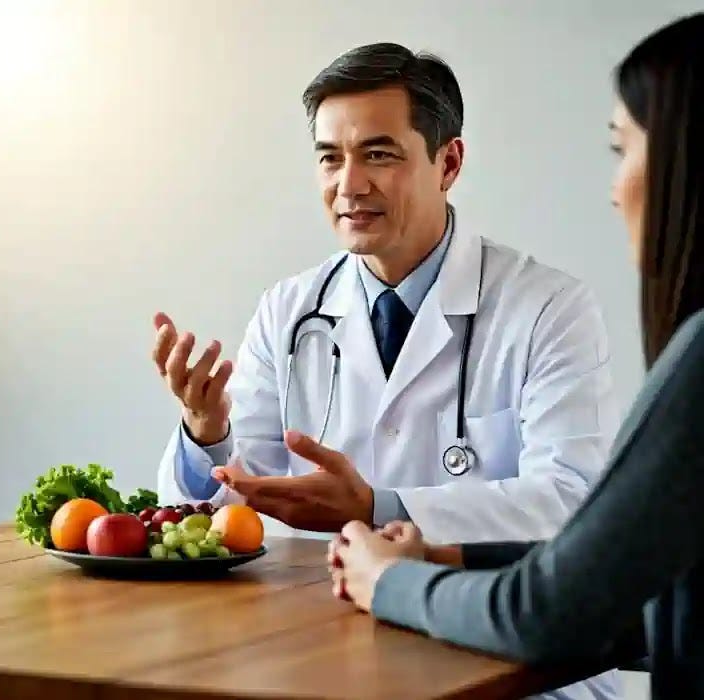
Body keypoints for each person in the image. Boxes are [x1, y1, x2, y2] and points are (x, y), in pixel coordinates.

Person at [152, 43, 620, 700]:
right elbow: (229, 522)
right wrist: (206, 435)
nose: (349, 184)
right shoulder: (288, 310)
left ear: (448, 162)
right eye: (329, 158)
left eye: (379, 154)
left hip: (512, 668)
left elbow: (572, 505)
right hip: (334, 654)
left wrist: (381, 508)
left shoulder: (548, 308)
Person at [324, 12, 704, 700]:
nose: (615, 188)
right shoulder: (291, 307)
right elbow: (631, 588)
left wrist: (394, 582)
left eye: (624, 149)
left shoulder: (683, 355)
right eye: (330, 157)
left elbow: (552, 610)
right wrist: (445, 556)